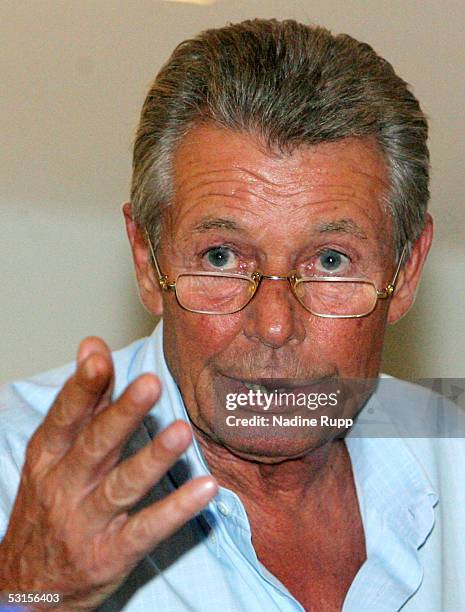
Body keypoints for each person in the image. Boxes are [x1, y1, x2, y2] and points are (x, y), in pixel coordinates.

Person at [0, 18, 464, 612]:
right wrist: (25, 591)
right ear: (148, 261)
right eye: (221, 257)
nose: (274, 324)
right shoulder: (16, 475)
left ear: (407, 271)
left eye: (329, 260)